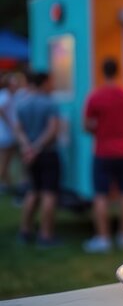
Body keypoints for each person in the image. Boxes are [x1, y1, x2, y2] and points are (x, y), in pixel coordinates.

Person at [83, 58, 123, 253]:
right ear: (118, 71)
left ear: (103, 72)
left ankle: (103, 238)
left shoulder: (95, 96)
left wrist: (99, 132)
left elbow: (86, 125)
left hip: (103, 152)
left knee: (101, 195)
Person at [15, 71, 60, 247]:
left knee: (33, 191)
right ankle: (45, 235)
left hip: (28, 155)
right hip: (47, 153)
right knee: (49, 194)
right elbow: (52, 129)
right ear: (44, 83)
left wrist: (27, 147)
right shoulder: (49, 103)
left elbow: (18, 129)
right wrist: (37, 148)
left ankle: (25, 231)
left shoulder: (22, 103)